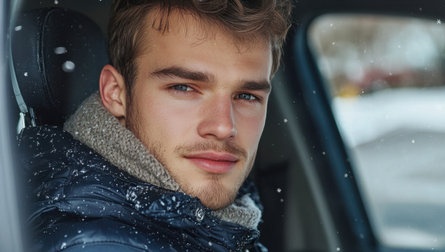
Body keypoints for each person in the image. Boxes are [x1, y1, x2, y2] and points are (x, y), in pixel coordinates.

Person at [20, 0, 292, 251]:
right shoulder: (98, 244)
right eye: (184, 88)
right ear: (116, 93)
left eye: (247, 96)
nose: (223, 127)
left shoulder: (221, 223)